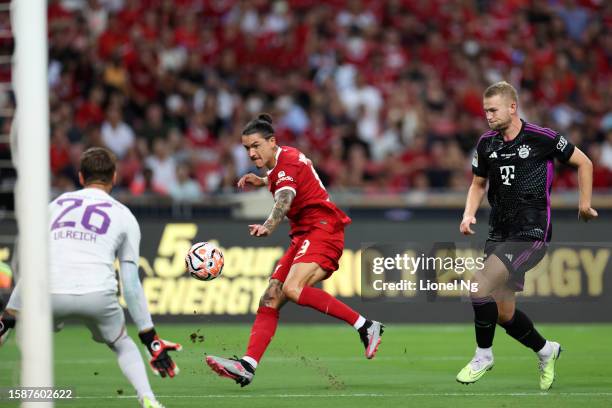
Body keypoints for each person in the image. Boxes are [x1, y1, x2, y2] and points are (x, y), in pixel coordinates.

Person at [205, 114, 384, 387]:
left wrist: (268, 225)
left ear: (272, 142)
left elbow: (286, 197)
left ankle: (365, 325)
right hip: (304, 235)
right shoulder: (282, 161)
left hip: (323, 229)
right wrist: (262, 180)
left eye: (256, 146)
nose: (251, 153)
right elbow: (283, 179)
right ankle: (247, 366)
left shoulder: (286, 162)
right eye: (246, 148)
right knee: (271, 297)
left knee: (292, 288)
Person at [0, 147, 181, 408]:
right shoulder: (124, 215)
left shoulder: (55, 206)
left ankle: (35, 398)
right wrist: (149, 336)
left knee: (33, 337)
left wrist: (10, 315)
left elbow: (34, 266)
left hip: (51, 292)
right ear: (114, 177)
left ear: (81, 176)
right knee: (122, 343)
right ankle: (148, 399)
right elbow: (130, 284)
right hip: (98, 294)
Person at [457, 81, 597, 390]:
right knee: (504, 314)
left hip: (532, 232)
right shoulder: (486, 143)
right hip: (499, 231)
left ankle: (483, 355)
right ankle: (547, 351)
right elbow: (478, 184)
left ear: (512, 107)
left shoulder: (541, 138)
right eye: (485, 111)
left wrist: (584, 204)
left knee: (478, 286)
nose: (488, 116)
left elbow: (584, 162)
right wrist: (469, 213)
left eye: (493, 110)